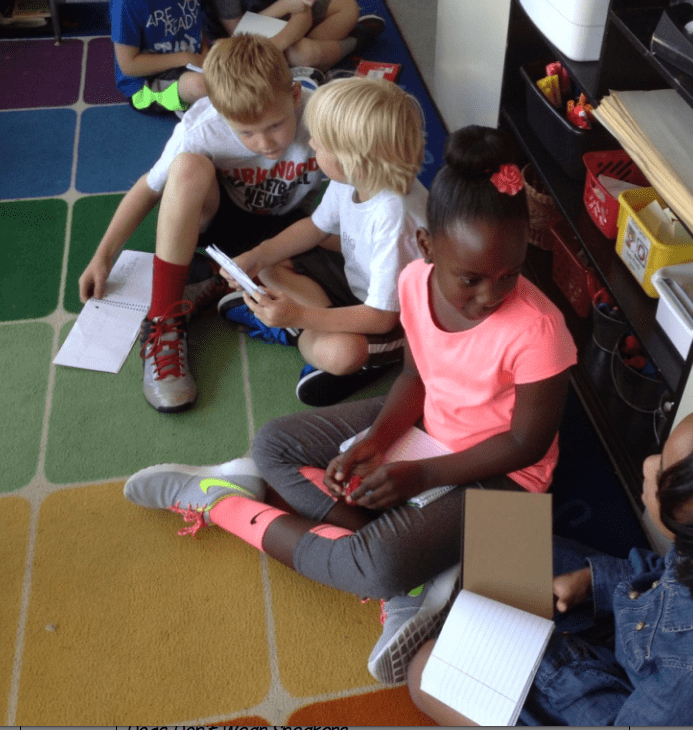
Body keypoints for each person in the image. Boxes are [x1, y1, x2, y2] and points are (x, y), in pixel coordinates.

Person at [120, 125, 579, 685]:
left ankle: (225, 506)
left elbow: (526, 444)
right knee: (274, 444)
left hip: (502, 476)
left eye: (510, 274)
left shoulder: (539, 330)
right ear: (427, 248)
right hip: (432, 425)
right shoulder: (415, 282)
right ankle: (416, 559)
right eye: (471, 279)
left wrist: (418, 475)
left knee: (374, 566)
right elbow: (415, 375)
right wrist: (378, 441)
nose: (491, 295)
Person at [405, 400, 693, 725]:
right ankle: (470, 608)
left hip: (619, 704)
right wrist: (592, 583)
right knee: (506, 531)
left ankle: (460, 615)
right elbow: (662, 579)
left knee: (424, 672)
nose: (647, 463)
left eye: (662, 472)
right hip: (640, 639)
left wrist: (555, 664)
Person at [78, 34, 324, 413]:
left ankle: (219, 283)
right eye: (246, 133)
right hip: (222, 223)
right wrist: (103, 256)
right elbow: (147, 189)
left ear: (294, 96)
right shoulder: (203, 127)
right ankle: (163, 318)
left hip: (291, 232)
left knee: (326, 311)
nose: (265, 144)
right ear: (222, 114)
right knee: (188, 167)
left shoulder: (323, 113)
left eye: (275, 125)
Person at [215, 75, 428, 407]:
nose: (312, 144)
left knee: (340, 353)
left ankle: (303, 336)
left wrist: (298, 316)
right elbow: (315, 228)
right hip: (359, 286)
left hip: (398, 320)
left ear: (353, 158)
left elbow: (382, 317)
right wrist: (257, 256)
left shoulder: (394, 214)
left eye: (321, 142)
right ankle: (307, 328)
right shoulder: (354, 178)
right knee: (271, 265)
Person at [209, 0, 385, 71]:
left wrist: (289, 35)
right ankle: (357, 39)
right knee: (303, 54)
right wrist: (281, 8)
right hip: (256, 41)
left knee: (348, 8)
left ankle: (317, 59)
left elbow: (303, 9)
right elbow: (239, 34)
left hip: (294, 22)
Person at [110, 0, 208, 115]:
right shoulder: (125, 4)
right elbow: (129, 66)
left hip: (191, 62)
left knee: (221, 75)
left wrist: (207, 57)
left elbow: (198, 27)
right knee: (201, 85)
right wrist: (185, 59)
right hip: (145, 87)